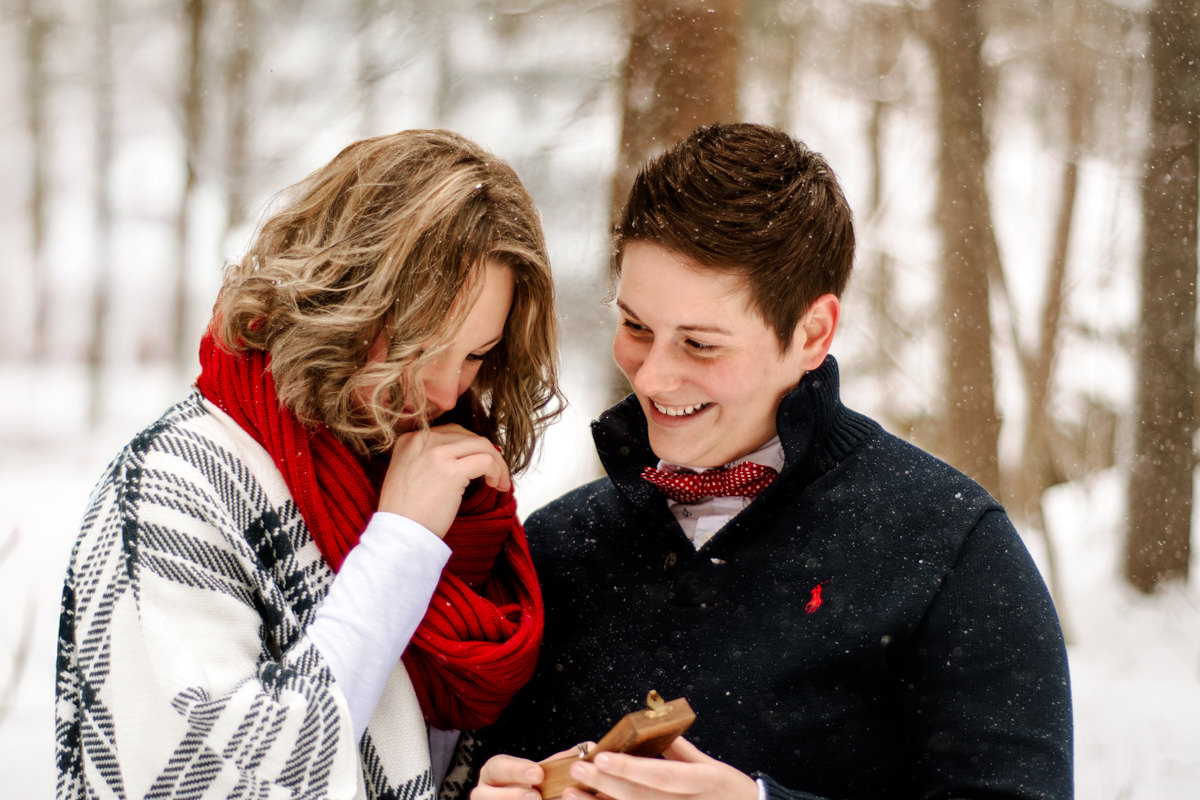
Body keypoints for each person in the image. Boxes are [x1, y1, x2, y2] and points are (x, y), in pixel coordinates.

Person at [471, 123, 1072, 800]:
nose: (653, 377)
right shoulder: (554, 551)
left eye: (699, 344)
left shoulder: (950, 550)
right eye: (637, 326)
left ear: (813, 332)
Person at [55, 129, 563, 800]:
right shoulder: (172, 485)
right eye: (422, 342)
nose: (446, 390)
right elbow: (210, 781)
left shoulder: (433, 490)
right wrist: (395, 551)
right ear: (339, 296)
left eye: (475, 355)